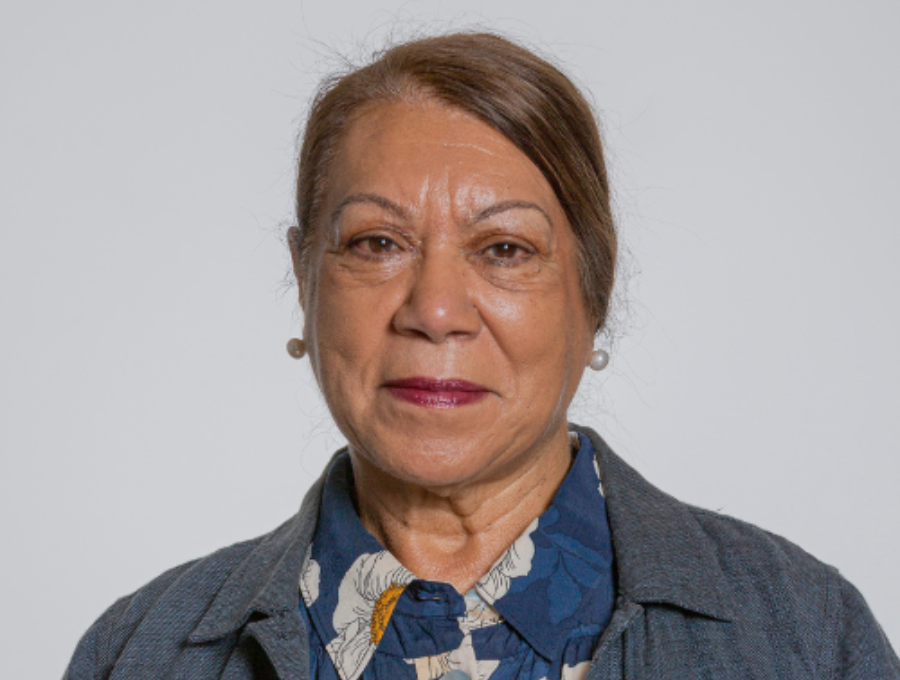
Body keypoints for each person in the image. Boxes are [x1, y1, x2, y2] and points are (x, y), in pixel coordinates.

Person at [63, 32, 898, 680]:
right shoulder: (141, 649)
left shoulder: (803, 634)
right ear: (304, 281)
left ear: (593, 292)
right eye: (376, 242)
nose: (434, 311)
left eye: (503, 249)